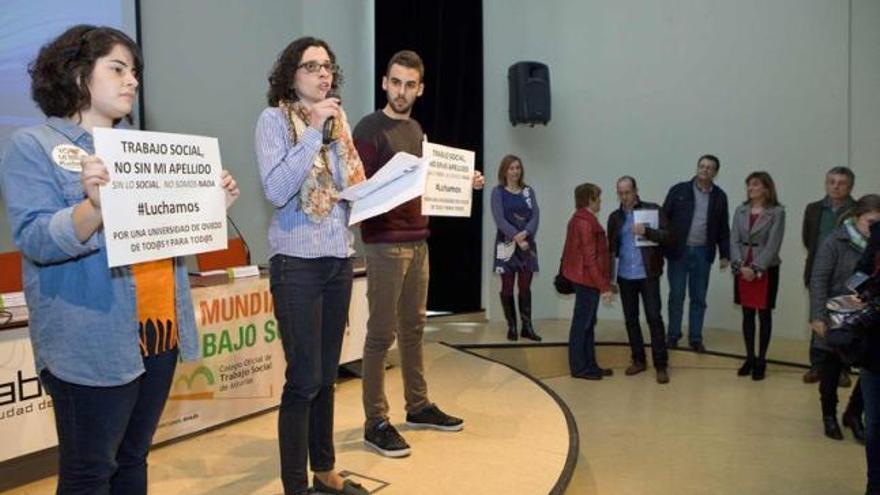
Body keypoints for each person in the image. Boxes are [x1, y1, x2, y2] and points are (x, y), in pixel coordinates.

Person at [0, 25, 240, 494]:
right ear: (76, 75)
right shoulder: (34, 146)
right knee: (90, 473)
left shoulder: (143, 150)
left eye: (134, 71)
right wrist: (93, 208)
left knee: (133, 460)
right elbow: (35, 239)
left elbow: (162, 231)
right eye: (117, 68)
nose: (132, 81)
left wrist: (209, 208)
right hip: (89, 342)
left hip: (158, 335)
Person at [352, 50, 485, 458]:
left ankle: (419, 405)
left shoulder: (416, 128)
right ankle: (375, 420)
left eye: (410, 84)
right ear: (384, 82)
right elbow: (356, 188)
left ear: (420, 89)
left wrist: (465, 180)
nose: (401, 91)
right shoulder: (368, 129)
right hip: (384, 244)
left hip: (418, 241)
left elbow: (428, 181)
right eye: (395, 82)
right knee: (380, 335)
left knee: (413, 330)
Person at [254, 37, 368, 495]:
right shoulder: (273, 121)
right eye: (311, 66)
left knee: (326, 376)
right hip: (295, 263)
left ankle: (325, 471)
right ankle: (294, 485)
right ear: (290, 75)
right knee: (303, 379)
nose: (323, 74)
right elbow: (278, 189)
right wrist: (312, 135)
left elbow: (351, 186)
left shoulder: (339, 124)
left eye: (327, 67)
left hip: (338, 258)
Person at [809, 194, 879, 441]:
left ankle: (853, 412)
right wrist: (818, 317)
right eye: (871, 223)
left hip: (867, 319)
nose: (874, 230)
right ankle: (829, 416)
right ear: (857, 218)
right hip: (835, 316)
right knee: (830, 371)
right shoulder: (835, 241)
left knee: (869, 369)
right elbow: (818, 280)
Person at [607, 176, 673, 384]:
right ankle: (638, 360)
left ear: (636, 190)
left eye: (627, 192)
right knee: (631, 319)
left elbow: (669, 237)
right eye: (620, 193)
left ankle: (661, 365)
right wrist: (611, 278)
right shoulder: (614, 217)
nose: (624, 196)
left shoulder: (652, 210)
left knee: (654, 318)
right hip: (625, 276)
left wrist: (648, 231)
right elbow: (611, 250)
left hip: (648, 274)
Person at [662, 154, 730, 352]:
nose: (704, 170)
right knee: (676, 295)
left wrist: (725, 253)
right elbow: (664, 219)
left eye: (709, 168)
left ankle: (695, 338)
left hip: (703, 252)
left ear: (715, 173)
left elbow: (723, 227)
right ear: (697, 168)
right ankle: (673, 335)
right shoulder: (678, 190)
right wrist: (662, 247)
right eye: (702, 166)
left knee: (699, 297)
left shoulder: (720, 196)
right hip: (678, 252)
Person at [802, 166, 857, 385]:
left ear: (850, 186)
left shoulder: (857, 211)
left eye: (841, 183)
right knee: (819, 317)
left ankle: (842, 368)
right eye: (831, 181)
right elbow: (809, 239)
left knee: (844, 323)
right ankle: (817, 366)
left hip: (847, 275)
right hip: (819, 272)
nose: (835, 186)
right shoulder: (814, 209)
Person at [729, 171, 785, 381]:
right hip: (742, 267)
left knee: (764, 314)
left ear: (766, 188)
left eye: (755, 185)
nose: (750, 188)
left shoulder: (777, 212)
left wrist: (756, 267)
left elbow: (773, 244)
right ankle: (749, 357)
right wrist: (739, 265)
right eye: (749, 185)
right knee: (747, 314)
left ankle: (762, 359)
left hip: (765, 268)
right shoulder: (741, 210)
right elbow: (733, 239)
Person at [562, 183, 614, 380]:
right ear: (590, 199)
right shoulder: (584, 222)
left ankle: (590, 365)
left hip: (587, 279)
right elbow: (590, 258)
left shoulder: (584, 219)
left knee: (587, 324)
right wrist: (604, 287)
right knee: (582, 324)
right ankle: (579, 368)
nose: (600, 201)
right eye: (598, 197)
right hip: (586, 280)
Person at [491, 154, 541, 341]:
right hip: (506, 244)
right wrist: (516, 236)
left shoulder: (529, 191)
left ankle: (527, 327)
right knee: (507, 286)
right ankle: (512, 326)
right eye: (511, 168)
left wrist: (525, 234)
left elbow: (535, 215)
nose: (515, 171)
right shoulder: (498, 192)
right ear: (504, 171)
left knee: (525, 286)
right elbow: (499, 219)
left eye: (517, 168)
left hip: (527, 244)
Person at [857, 220, 880, 495]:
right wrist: (862, 292)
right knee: (875, 424)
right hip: (875, 345)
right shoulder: (878, 234)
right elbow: (859, 274)